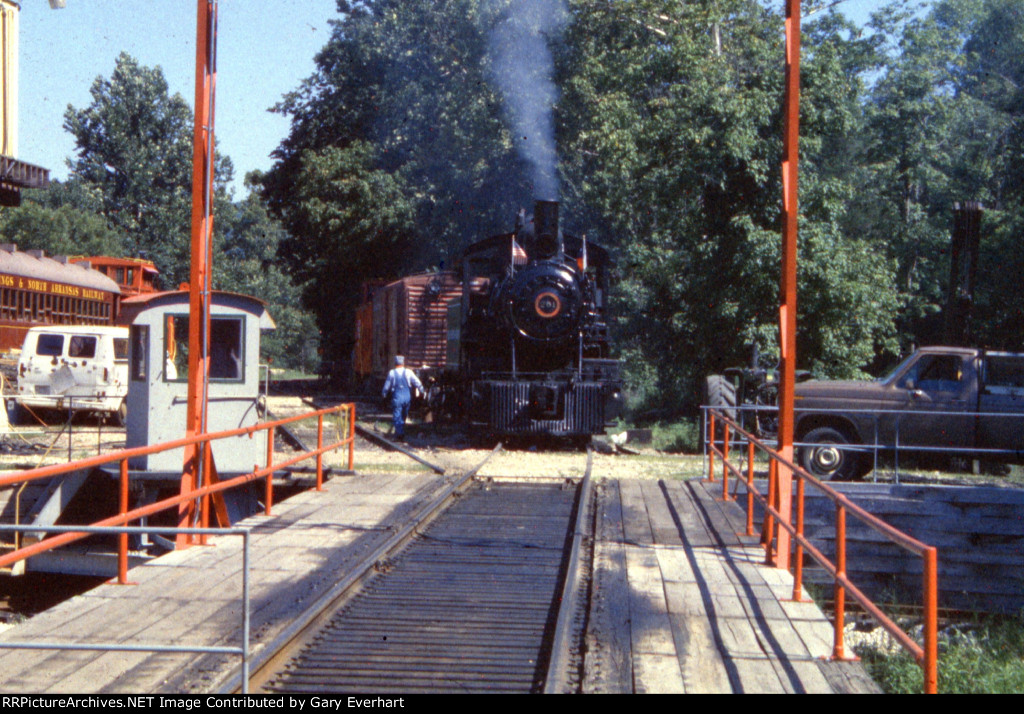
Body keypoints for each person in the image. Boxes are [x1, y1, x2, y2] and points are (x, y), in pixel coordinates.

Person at [382, 355, 423, 441]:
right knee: (404, 415)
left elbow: (387, 386)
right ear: (403, 363)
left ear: (395, 363)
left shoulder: (392, 373)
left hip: (397, 396)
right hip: (407, 396)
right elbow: (417, 382)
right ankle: (400, 432)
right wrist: (421, 389)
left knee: (397, 415)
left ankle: (400, 434)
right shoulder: (409, 372)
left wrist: (384, 393)